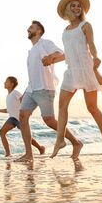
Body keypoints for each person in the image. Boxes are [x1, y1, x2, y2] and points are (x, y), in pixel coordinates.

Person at [48, 0, 102, 160]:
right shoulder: (65, 30)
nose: (76, 8)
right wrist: (53, 59)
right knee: (62, 105)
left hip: (86, 69)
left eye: (79, 6)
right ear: (67, 9)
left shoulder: (85, 25)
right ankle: (60, 140)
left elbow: (91, 44)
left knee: (92, 108)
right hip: (71, 71)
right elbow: (69, 52)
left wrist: (97, 56)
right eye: (73, 5)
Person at [16, 21, 83, 162]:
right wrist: (24, 92)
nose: (28, 29)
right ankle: (29, 154)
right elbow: (33, 74)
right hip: (31, 90)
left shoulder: (45, 43)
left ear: (39, 31)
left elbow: (63, 54)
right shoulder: (31, 50)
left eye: (32, 27)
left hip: (45, 89)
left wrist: (51, 58)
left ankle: (76, 142)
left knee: (49, 120)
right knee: (23, 117)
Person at [0, 76, 45, 157]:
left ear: (12, 84)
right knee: (2, 132)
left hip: (20, 119)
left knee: (27, 136)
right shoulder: (8, 96)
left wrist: (26, 112)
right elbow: (8, 110)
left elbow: (24, 100)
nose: (4, 83)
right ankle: (8, 154)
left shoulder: (15, 93)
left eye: (6, 81)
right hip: (12, 118)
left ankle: (40, 148)